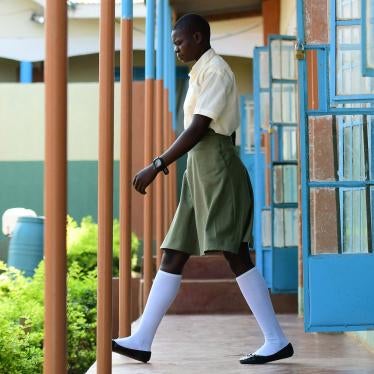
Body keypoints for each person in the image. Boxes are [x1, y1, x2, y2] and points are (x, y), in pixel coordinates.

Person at [112, 13, 293, 365]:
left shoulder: (217, 72)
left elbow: (198, 128)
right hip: (198, 171)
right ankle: (142, 339)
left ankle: (276, 339)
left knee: (235, 252)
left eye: (179, 42)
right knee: (174, 252)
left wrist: (157, 164)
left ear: (197, 37)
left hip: (218, 170)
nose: (177, 49)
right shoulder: (199, 72)